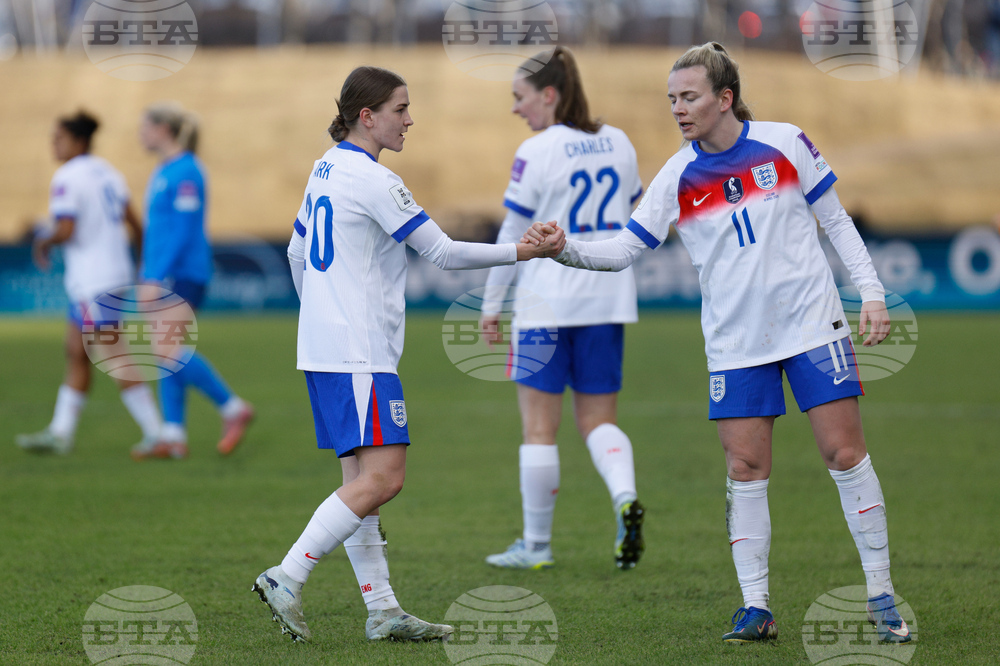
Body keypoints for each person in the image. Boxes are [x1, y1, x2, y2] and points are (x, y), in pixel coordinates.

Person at [524, 42, 911, 645]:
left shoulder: (784, 142)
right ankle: (755, 608)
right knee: (745, 467)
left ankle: (882, 595)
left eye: (689, 97)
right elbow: (626, 249)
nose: (678, 109)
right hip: (735, 343)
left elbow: (836, 221)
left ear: (724, 98)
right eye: (672, 99)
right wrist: (565, 247)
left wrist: (873, 293)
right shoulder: (676, 175)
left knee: (844, 455)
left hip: (812, 325)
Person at [250, 66, 565, 643]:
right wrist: (522, 251)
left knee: (361, 484)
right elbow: (441, 253)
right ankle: (286, 576)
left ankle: (383, 610)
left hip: (325, 350)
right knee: (385, 479)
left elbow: (298, 253)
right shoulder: (372, 178)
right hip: (359, 352)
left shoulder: (324, 168)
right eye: (400, 109)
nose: (410, 119)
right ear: (366, 116)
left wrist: (321, 315)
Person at [479, 46, 646, 571]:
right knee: (598, 420)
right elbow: (638, 213)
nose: (515, 108)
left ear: (548, 95)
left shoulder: (538, 150)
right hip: (607, 296)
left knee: (538, 429)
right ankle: (624, 498)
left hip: (546, 303)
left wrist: (490, 303)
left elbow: (512, 233)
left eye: (520, 97)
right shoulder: (618, 140)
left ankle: (536, 546)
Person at [16, 111, 163, 456]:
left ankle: (158, 434)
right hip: (113, 273)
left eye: (59, 138)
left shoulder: (67, 176)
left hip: (92, 279)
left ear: (78, 141)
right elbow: (137, 226)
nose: (54, 144)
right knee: (76, 352)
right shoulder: (108, 173)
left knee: (113, 355)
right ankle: (60, 432)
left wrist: (42, 240)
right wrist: (139, 266)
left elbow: (66, 229)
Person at [130, 102, 254, 461]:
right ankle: (173, 435)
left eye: (145, 127)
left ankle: (232, 408)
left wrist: (156, 275)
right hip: (166, 272)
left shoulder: (186, 172)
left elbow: (183, 231)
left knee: (166, 349)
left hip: (182, 274)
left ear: (163, 130)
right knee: (163, 349)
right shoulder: (167, 170)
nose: (140, 134)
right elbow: (160, 231)